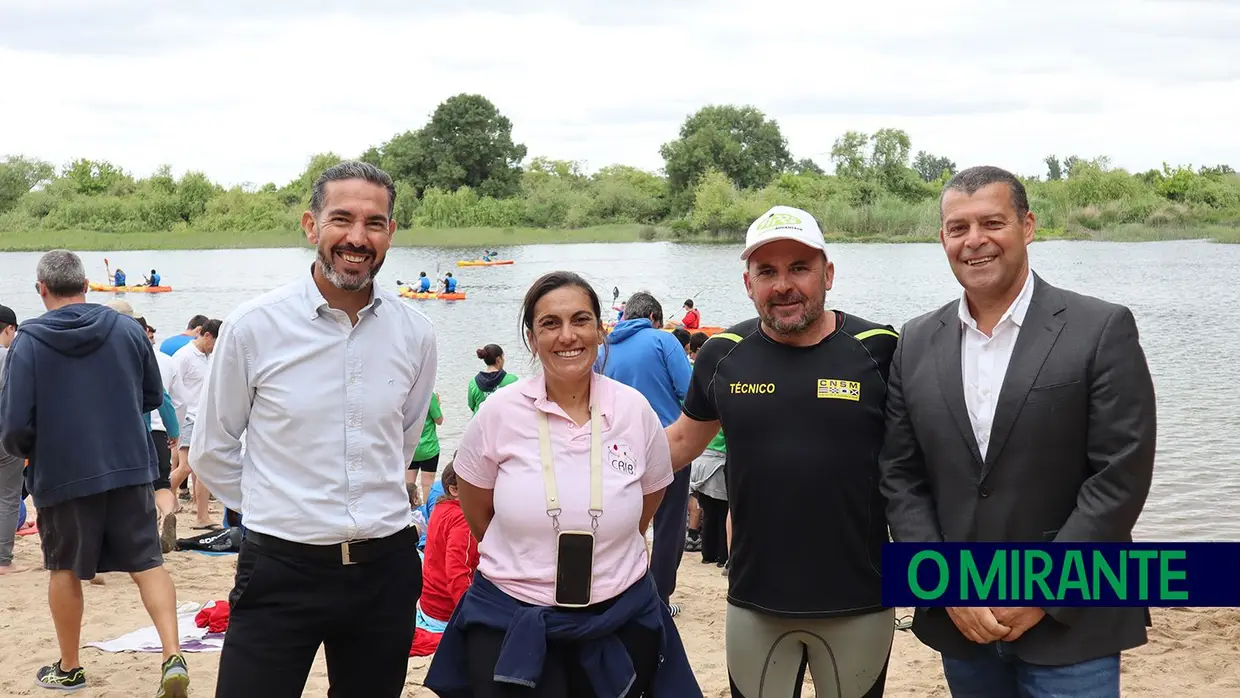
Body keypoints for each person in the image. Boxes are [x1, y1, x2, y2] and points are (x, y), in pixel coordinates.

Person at [877, 166, 1158, 697]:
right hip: (964, 620)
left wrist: (1048, 589)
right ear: (942, 238)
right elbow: (900, 476)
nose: (974, 241)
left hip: (1073, 622)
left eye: (992, 222)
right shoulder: (914, 341)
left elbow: (1120, 474)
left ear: (1027, 226)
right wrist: (946, 586)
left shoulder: (1100, 328)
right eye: (958, 228)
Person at [190, 161, 437, 698]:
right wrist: (281, 509)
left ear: (390, 233)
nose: (357, 237)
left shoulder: (416, 332)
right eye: (341, 219)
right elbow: (213, 449)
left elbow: (402, 440)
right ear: (311, 225)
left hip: (385, 569)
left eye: (374, 223)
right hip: (281, 568)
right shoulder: (255, 326)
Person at [423, 270, 700, 698]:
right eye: (550, 323)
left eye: (580, 320)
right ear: (532, 338)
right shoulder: (497, 414)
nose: (567, 335)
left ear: (600, 330)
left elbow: (645, 506)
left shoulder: (634, 411)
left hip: (619, 616)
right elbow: (479, 515)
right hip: (511, 619)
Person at [664, 205, 899, 697]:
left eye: (799, 268)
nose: (783, 285)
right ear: (748, 283)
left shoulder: (881, 348)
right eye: (767, 271)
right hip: (754, 599)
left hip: (863, 596)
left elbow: (931, 463)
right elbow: (680, 444)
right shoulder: (721, 354)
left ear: (827, 274)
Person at [0, 250, 189, 695]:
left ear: (41, 290)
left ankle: (70, 666)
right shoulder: (127, 329)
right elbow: (150, 395)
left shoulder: (27, 340)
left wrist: (29, 454)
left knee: (64, 567)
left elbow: (13, 423)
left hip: (63, 472)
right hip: (127, 464)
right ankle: (172, 654)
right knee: (148, 563)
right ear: (86, 285)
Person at [594, 290, 693, 615]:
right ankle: (659, 600)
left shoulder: (602, 348)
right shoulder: (664, 342)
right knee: (668, 525)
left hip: (613, 448)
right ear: (653, 318)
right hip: (666, 446)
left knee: (618, 522)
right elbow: (691, 392)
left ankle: (617, 593)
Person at [411, 462, 480, 657]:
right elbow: (458, 573)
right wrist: (471, 617)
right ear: (455, 490)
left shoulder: (441, 508)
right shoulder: (463, 520)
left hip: (428, 606)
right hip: (445, 613)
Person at [169, 319, 221, 530]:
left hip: (204, 417)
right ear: (206, 335)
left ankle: (202, 516)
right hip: (187, 417)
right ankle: (164, 501)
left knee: (203, 469)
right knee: (187, 467)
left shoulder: (210, 357)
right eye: (216, 341)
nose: (217, 346)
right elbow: (171, 388)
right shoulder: (184, 356)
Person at [0, 304, 28, 575]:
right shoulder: (9, 358)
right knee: (8, 496)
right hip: (4, 435)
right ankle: (3, 559)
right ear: (8, 329)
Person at [410, 391, 443, 507]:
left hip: (410, 448)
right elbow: (439, 420)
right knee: (427, 486)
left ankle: (408, 517)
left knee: (408, 485)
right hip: (429, 448)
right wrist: (437, 405)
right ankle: (427, 517)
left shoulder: (404, 394)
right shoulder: (429, 395)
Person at [468, 343, 520, 414]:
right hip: (504, 423)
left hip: (480, 423)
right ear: (498, 359)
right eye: (503, 357)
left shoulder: (473, 383)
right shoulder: (512, 380)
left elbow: (471, 406)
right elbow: (519, 403)